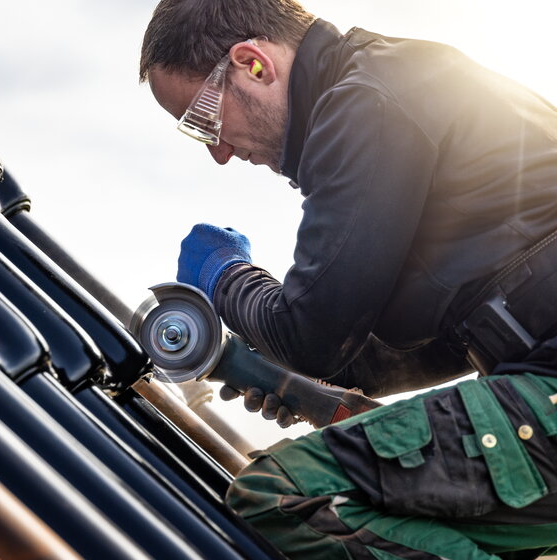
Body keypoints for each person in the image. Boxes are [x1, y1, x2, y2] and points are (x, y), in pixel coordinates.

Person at [139, 0, 557, 558]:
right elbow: (421, 344)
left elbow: (313, 335)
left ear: (252, 64)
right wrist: (286, 375)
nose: (218, 152)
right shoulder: (402, 83)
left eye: (203, 120)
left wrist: (224, 275)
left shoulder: (367, 101)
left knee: (281, 495)